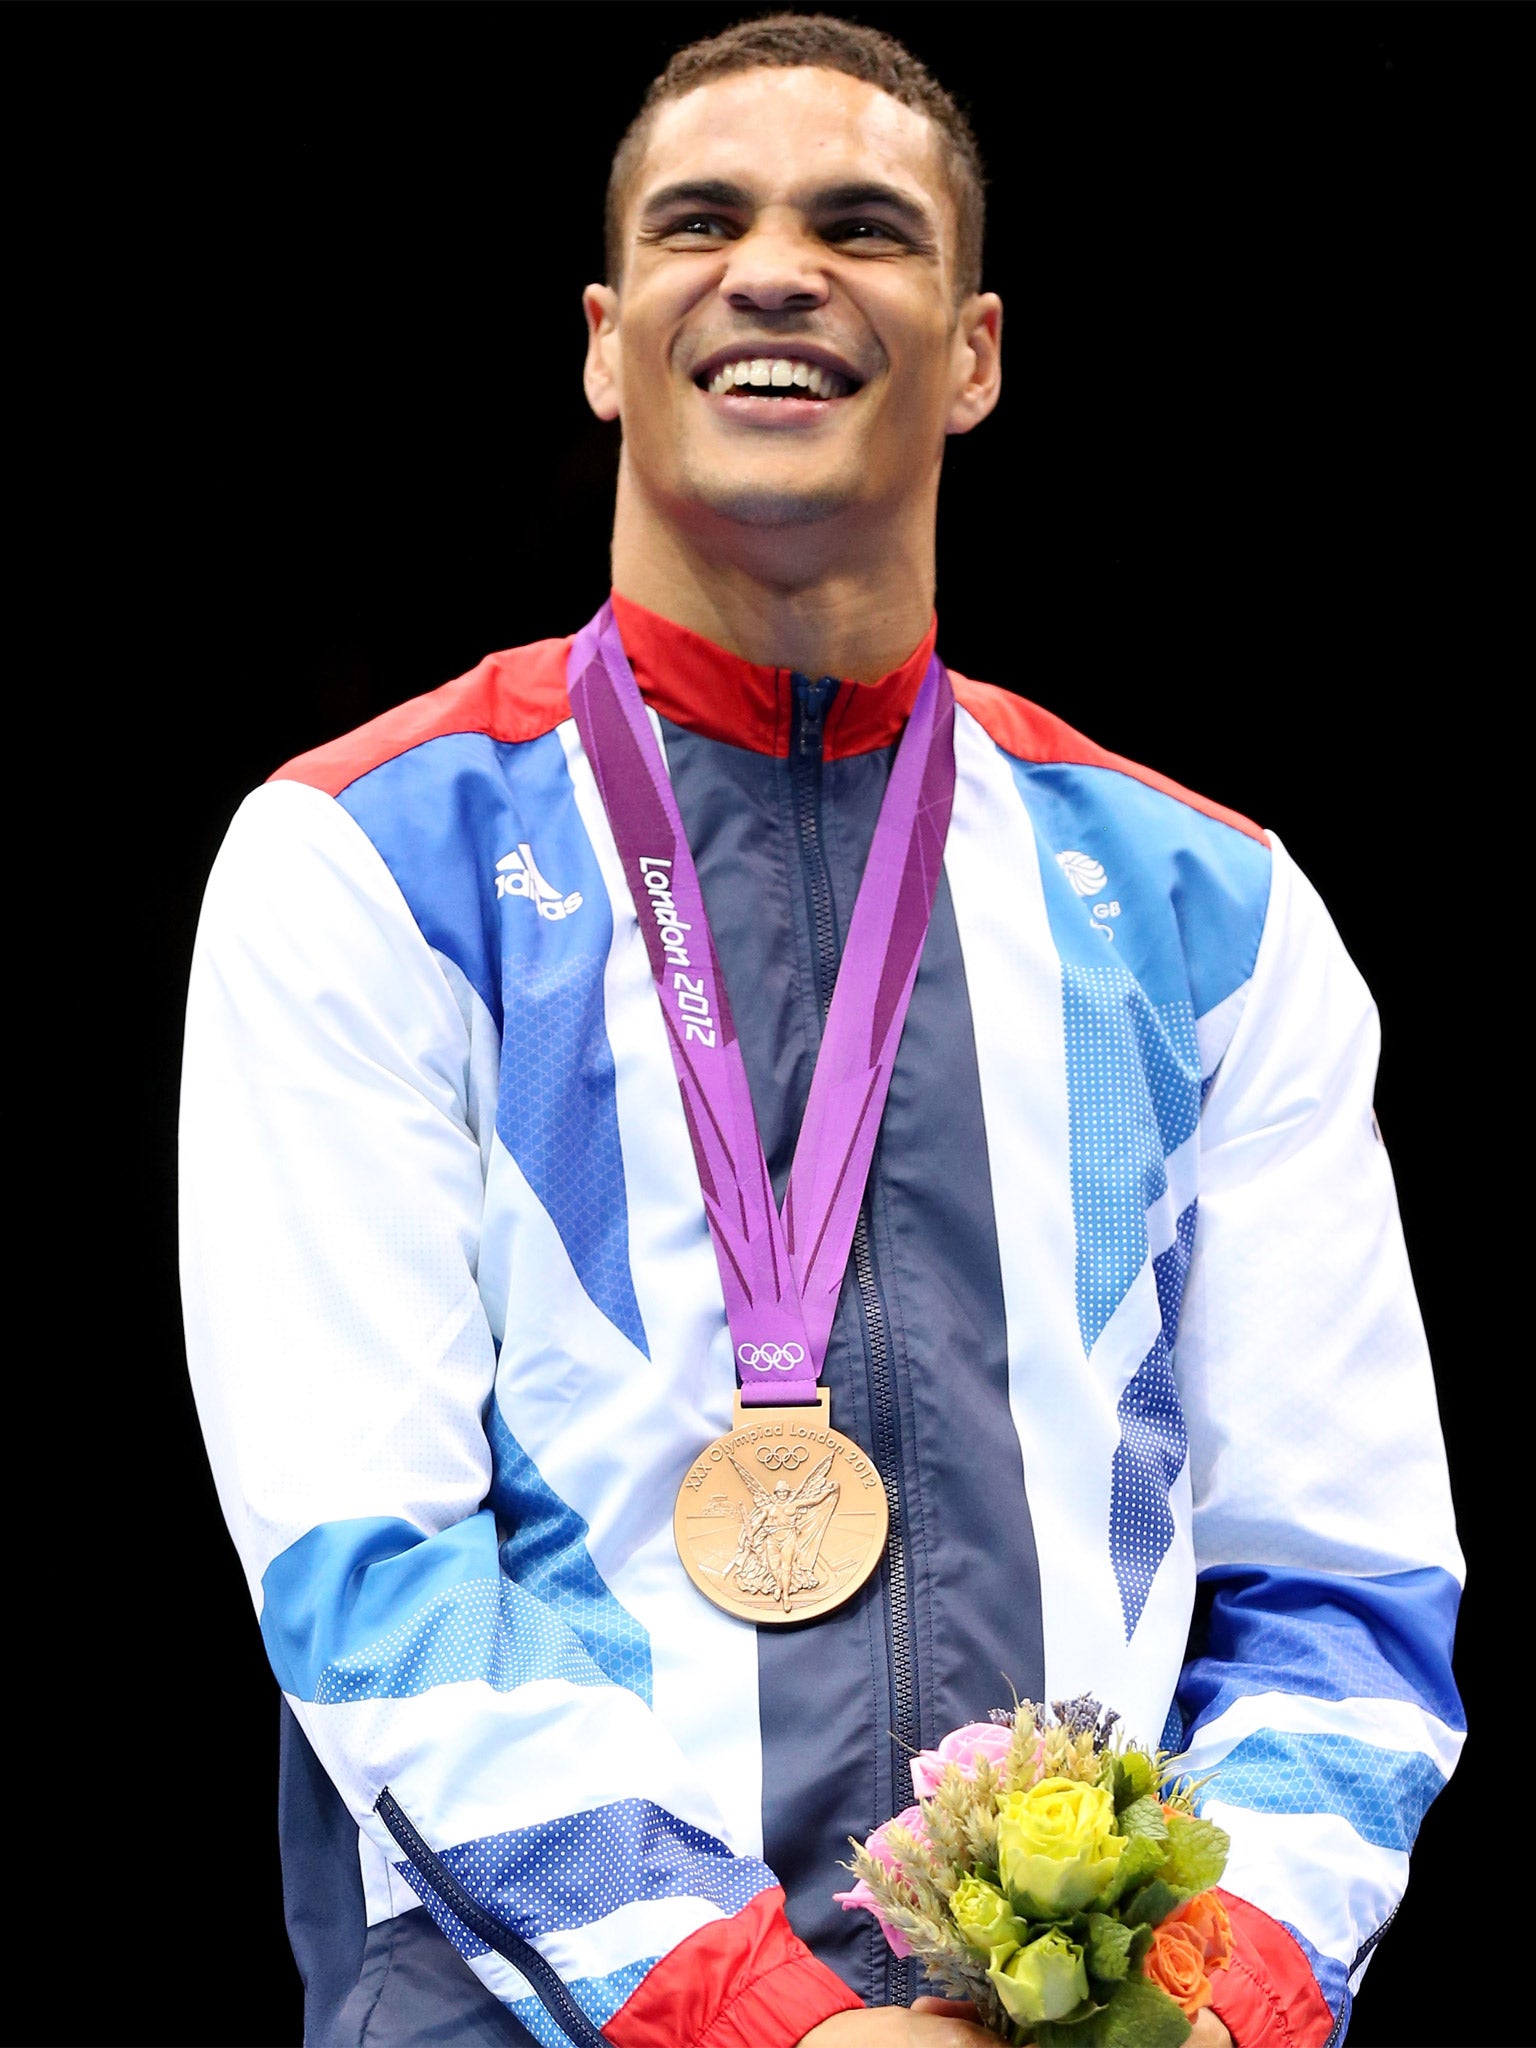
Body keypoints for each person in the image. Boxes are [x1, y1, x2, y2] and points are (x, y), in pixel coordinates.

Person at [179, 16, 1463, 2048]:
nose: (774, 267)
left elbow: (1348, 1588)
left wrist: (1220, 2003)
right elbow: (371, 1566)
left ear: (974, 354)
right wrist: (773, 2024)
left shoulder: (1216, 915)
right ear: (607, 343)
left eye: (862, 228)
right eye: (705, 219)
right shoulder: (361, 859)